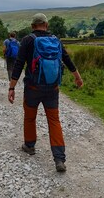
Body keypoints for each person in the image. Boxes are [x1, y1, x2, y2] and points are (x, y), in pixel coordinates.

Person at [8, 13, 83, 172]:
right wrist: (77, 77)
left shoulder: (28, 40)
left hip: (33, 88)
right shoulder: (56, 40)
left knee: (30, 117)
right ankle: (59, 159)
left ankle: (29, 145)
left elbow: (19, 64)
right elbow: (67, 59)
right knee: (54, 121)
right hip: (52, 88)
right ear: (46, 25)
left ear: (33, 26)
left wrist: (12, 87)